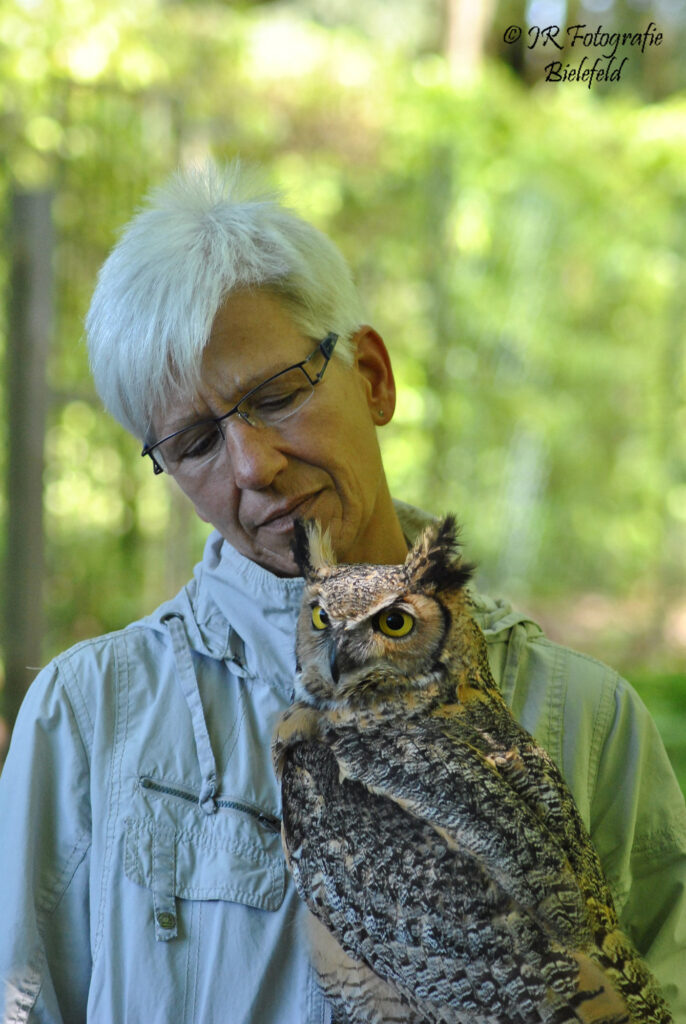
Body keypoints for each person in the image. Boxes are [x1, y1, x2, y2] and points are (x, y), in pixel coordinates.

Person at [0, 160, 684, 1024]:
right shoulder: (91, 714)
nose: (255, 465)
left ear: (371, 375)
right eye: (196, 442)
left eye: (276, 395)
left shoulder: (582, 718)